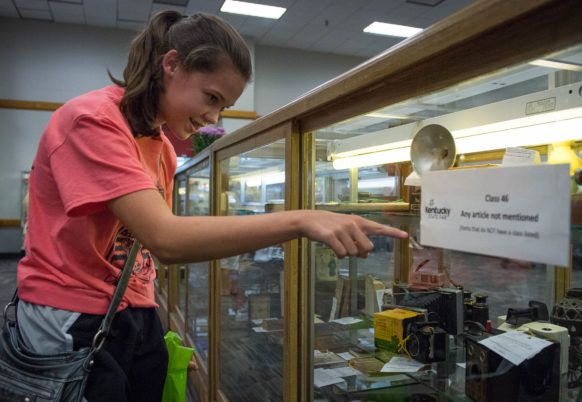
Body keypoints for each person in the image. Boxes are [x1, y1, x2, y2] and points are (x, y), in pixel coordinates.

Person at [16, 10, 407, 402]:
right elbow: (166, 238)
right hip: (71, 317)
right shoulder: (92, 120)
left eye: (223, 107)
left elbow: (142, 254)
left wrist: (149, 334)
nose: (212, 118)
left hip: (129, 315)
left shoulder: (162, 149)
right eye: (212, 98)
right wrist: (302, 219)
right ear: (171, 64)